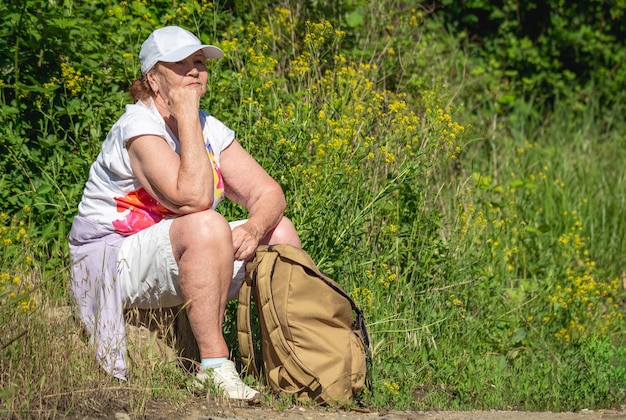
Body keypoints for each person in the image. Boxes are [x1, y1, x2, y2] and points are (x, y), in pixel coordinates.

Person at [68, 25, 301, 402]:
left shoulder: (210, 125)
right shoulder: (139, 126)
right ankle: (213, 367)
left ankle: (293, 361)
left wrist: (256, 227)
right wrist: (187, 113)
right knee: (206, 224)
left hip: (174, 250)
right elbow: (192, 199)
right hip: (115, 257)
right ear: (153, 79)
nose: (195, 70)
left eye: (199, 62)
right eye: (181, 64)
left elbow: (269, 192)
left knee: (281, 233)